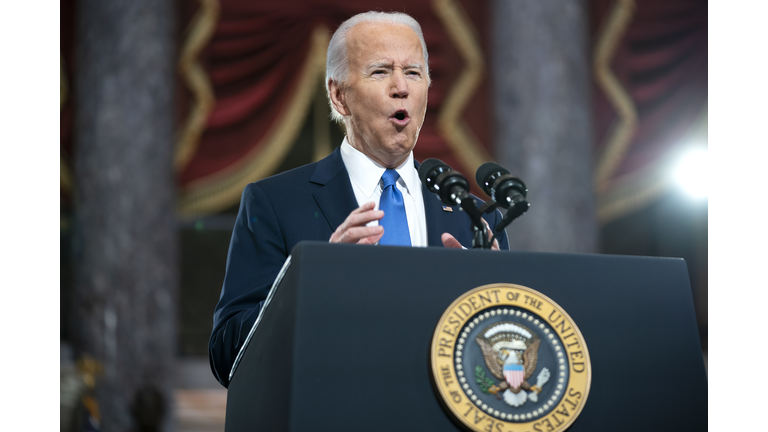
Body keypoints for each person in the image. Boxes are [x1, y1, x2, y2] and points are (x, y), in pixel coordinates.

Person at [209, 11, 509, 387]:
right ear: (339, 95)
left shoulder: (475, 217)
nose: (401, 87)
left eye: (413, 73)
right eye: (381, 72)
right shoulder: (273, 203)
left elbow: (506, 355)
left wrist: (499, 303)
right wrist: (313, 284)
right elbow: (226, 355)